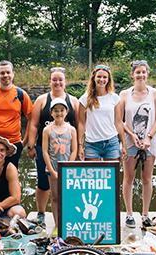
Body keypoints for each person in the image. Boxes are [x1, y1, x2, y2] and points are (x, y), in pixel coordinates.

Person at [27, 67, 80, 225]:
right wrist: (31, 146)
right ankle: (41, 212)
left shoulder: (74, 101)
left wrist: (78, 150)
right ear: (50, 81)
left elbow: (78, 125)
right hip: (45, 148)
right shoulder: (42, 100)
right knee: (43, 182)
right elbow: (34, 124)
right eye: (54, 79)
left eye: (60, 79)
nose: (57, 82)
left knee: (66, 186)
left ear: (65, 82)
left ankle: (67, 215)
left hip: (66, 151)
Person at [119, 60, 156, 228]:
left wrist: (149, 137)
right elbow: (120, 120)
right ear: (132, 75)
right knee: (128, 178)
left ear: (148, 74)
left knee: (147, 179)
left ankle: (145, 214)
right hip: (130, 142)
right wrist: (131, 135)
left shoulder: (155, 93)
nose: (141, 75)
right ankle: (129, 213)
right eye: (137, 72)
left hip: (149, 143)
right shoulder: (124, 94)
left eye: (143, 72)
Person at [77, 65, 126, 161]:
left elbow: (118, 122)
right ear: (94, 78)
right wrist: (80, 146)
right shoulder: (84, 99)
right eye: (99, 76)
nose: (101, 79)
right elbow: (82, 123)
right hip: (92, 143)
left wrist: (123, 145)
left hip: (111, 142)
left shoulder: (114, 98)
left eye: (104, 77)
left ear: (108, 80)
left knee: (112, 175)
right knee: (92, 175)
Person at [42, 98, 78, 227]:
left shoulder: (71, 129)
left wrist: (68, 166)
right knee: (56, 197)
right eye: (56, 111)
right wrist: (52, 170)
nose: (59, 113)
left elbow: (74, 150)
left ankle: (69, 222)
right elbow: (45, 151)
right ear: (51, 113)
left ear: (66, 111)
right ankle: (57, 225)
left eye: (62, 110)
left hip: (67, 168)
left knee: (69, 196)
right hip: (53, 168)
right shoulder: (47, 130)